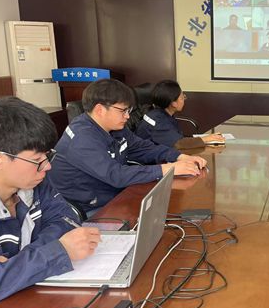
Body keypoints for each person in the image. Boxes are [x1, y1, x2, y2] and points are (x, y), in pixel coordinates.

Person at [0, 97, 101, 308]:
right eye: (37, 159)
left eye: (47, 155)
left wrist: (17, 265)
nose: (47, 166)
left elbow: (66, 219)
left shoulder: (32, 181)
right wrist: (54, 253)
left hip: (26, 300)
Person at [48, 79, 206, 215]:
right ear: (100, 110)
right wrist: (168, 168)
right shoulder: (82, 139)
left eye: (129, 110)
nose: (128, 116)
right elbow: (116, 175)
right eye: (123, 110)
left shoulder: (114, 127)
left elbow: (142, 147)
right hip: (89, 208)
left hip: (114, 194)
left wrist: (179, 156)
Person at [136, 80, 224, 148]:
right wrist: (205, 139)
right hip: (149, 162)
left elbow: (177, 138)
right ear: (173, 103)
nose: (184, 100)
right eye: (182, 97)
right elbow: (178, 144)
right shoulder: (158, 121)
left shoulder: (162, 114)